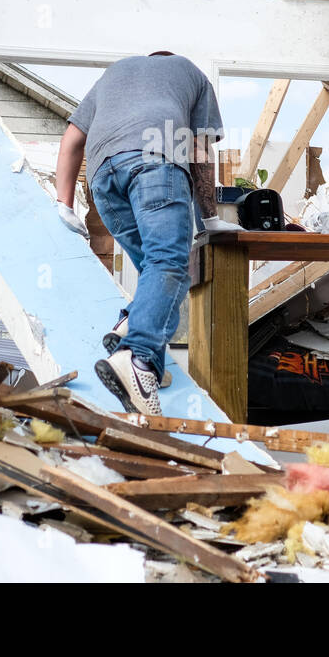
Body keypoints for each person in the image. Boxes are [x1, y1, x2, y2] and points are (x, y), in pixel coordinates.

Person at [54, 51, 236, 415]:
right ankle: (137, 360)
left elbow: (72, 139)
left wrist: (64, 203)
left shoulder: (114, 73)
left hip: (103, 177)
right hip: (154, 162)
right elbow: (198, 149)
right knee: (170, 264)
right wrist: (210, 218)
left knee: (160, 272)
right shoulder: (191, 72)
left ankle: (131, 326)